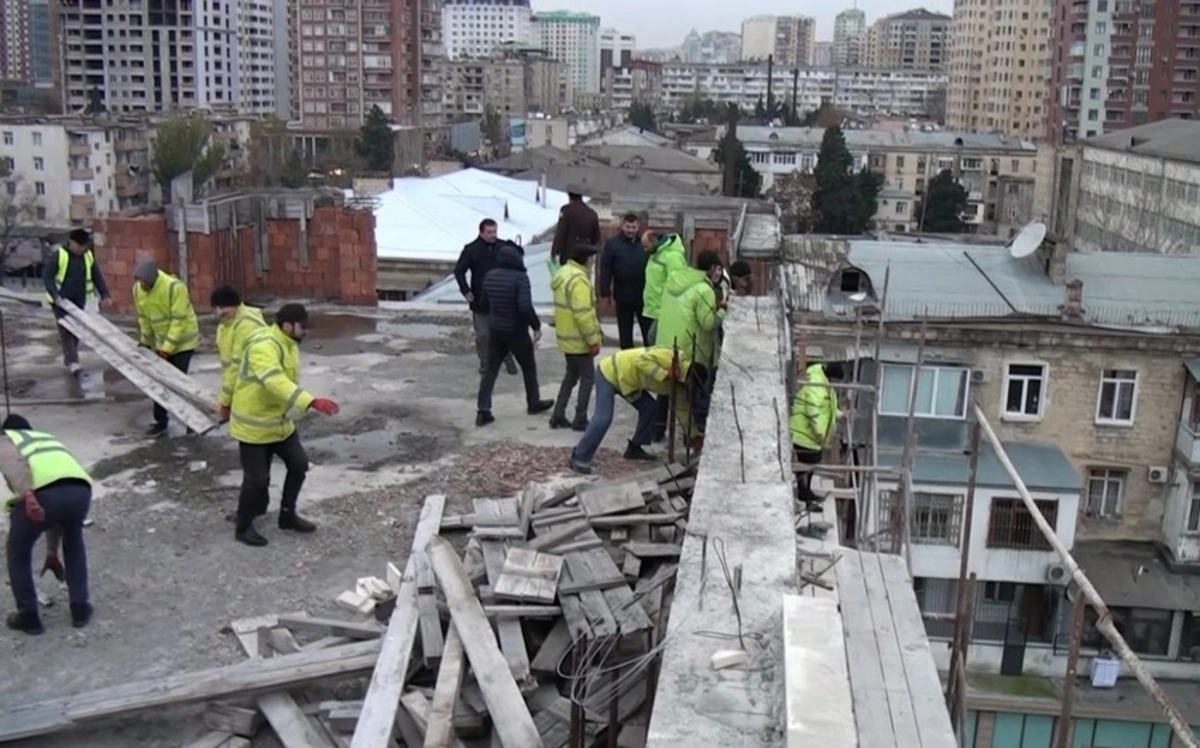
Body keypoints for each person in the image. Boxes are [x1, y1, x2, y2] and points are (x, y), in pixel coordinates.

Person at [230, 304, 339, 547]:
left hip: (279, 423)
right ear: (287, 325)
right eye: (302, 327)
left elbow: (283, 384)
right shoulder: (264, 346)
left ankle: (287, 516)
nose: (305, 332)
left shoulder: (288, 344)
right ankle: (243, 526)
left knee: (299, 465)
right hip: (254, 427)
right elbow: (276, 382)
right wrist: (310, 401)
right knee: (257, 480)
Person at [1, 414, 93, 635]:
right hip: (80, 491)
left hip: (42, 496)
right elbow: (56, 509)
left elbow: (13, 464)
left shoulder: (7, 440)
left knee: (17, 551)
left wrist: (28, 497)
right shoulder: (45, 439)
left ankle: (29, 616)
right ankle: (80, 608)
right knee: (74, 541)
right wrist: (52, 551)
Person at [568, 347, 691, 475]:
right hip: (609, 372)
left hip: (628, 383)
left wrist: (693, 435)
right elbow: (641, 360)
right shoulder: (669, 357)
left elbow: (682, 408)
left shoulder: (679, 385)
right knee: (603, 418)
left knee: (650, 408)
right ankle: (579, 457)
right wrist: (664, 374)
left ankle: (635, 448)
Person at [475, 245, 554, 427]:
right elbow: (525, 306)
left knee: (490, 371)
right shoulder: (521, 278)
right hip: (517, 332)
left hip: (496, 331)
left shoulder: (490, 276)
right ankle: (533, 402)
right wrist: (536, 325)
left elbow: (484, 303)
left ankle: (483, 411)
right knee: (528, 368)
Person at [653, 250, 728, 440]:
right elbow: (708, 323)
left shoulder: (674, 279)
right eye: (718, 269)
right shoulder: (704, 290)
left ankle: (656, 432)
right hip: (689, 349)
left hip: (665, 344)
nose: (720, 273)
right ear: (711, 269)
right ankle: (693, 435)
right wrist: (723, 310)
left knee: (666, 390)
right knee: (691, 394)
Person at [133, 259, 200, 436]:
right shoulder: (138, 290)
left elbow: (178, 321)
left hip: (184, 342)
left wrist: (167, 349)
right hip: (162, 343)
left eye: (146, 283)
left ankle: (192, 421)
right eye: (140, 282)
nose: (143, 286)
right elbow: (144, 319)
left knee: (179, 382)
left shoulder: (175, 288)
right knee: (159, 382)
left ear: (154, 279)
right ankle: (160, 422)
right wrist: (145, 342)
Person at [455, 219, 519, 376]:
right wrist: (465, 290)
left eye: (495, 232)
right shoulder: (471, 250)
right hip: (480, 299)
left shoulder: (503, 247)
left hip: (502, 299)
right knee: (483, 335)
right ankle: (485, 361)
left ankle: (507, 357)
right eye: (489, 232)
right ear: (481, 232)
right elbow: (459, 271)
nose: (493, 235)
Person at [42, 228, 112, 373]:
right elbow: (47, 278)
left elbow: (96, 276)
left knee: (77, 330)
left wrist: (105, 294)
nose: (82, 249)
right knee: (66, 330)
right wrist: (55, 295)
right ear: (72, 242)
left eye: (84, 246)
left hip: (79, 300)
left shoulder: (88, 256)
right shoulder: (59, 256)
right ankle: (73, 361)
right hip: (60, 301)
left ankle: (70, 359)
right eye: (80, 246)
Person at [549, 243, 602, 431]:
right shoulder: (579, 280)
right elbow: (583, 314)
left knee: (571, 376)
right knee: (588, 379)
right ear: (587, 259)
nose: (593, 263)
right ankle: (580, 418)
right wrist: (593, 340)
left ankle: (558, 414)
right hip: (579, 340)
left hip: (565, 337)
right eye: (592, 259)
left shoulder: (563, 273)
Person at [790, 361, 846, 507]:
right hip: (805, 434)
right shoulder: (816, 386)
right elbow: (812, 410)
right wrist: (820, 433)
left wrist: (841, 415)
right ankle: (804, 496)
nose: (837, 383)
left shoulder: (826, 386)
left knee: (811, 466)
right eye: (836, 380)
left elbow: (829, 408)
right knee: (806, 466)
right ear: (832, 377)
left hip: (813, 437)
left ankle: (807, 492)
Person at [211, 285, 267, 421]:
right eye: (216, 308)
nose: (219, 312)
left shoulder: (245, 326)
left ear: (235, 305)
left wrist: (225, 401)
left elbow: (235, 367)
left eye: (224, 307)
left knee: (254, 429)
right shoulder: (226, 324)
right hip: (244, 387)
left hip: (255, 387)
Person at [599, 213, 652, 349]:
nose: (630, 230)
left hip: (643, 296)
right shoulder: (613, 244)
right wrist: (605, 293)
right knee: (625, 336)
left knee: (649, 335)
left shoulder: (644, 243)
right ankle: (626, 364)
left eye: (633, 227)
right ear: (622, 225)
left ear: (638, 226)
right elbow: (606, 268)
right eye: (628, 227)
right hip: (623, 296)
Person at [640, 231, 688, 340]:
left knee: (654, 340)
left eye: (646, 246)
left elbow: (678, 284)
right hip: (652, 309)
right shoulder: (655, 254)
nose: (644, 250)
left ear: (654, 242)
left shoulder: (672, 257)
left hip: (663, 309)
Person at [550, 184, 600, 267]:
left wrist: (554, 252)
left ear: (569, 196)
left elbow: (561, 232)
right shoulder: (592, 214)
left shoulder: (566, 211)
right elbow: (596, 237)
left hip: (569, 254)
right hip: (585, 255)